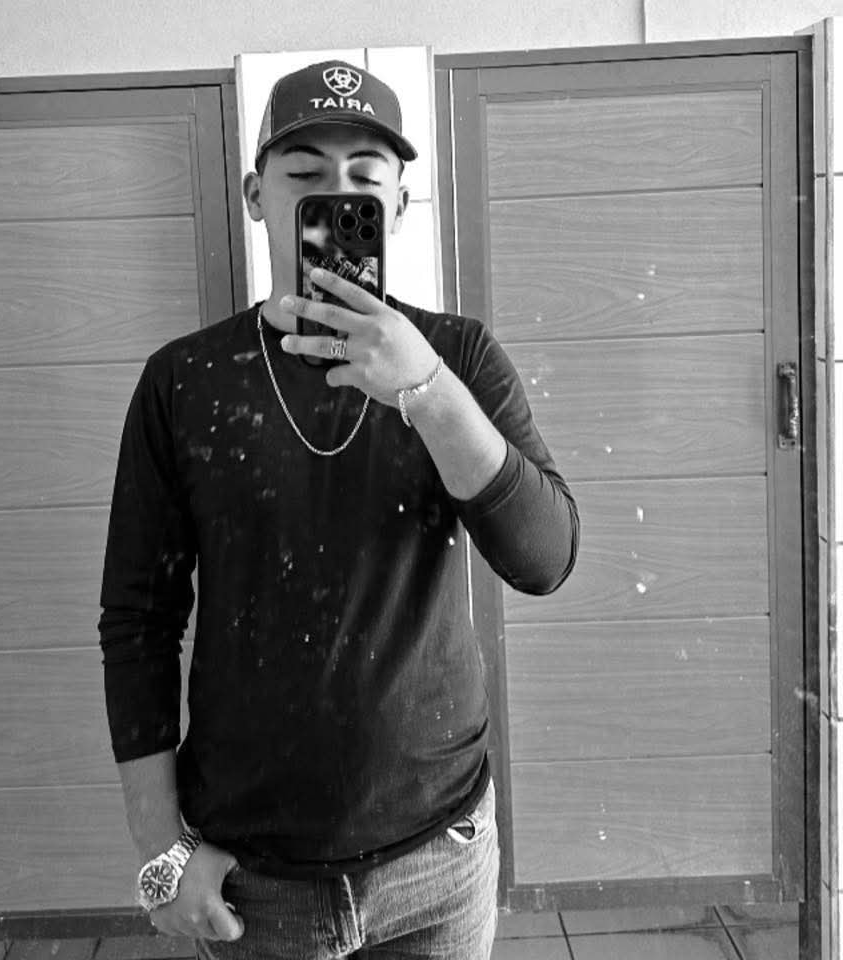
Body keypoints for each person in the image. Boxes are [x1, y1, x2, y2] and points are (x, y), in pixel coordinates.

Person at [98, 59, 579, 960]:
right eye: (306, 173)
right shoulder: (183, 382)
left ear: (398, 204)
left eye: (365, 175)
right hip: (252, 876)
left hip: (439, 859)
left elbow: (544, 558)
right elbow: (137, 622)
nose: (338, 194)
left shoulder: (459, 356)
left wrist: (428, 392)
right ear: (257, 196)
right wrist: (161, 850)